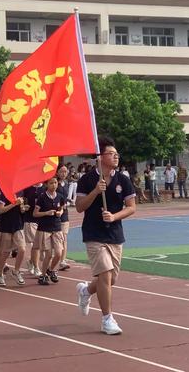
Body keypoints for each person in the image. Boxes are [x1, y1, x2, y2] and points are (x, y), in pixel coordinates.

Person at [75, 137, 136, 335]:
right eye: (111, 153)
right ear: (100, 157)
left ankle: (86, 291)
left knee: (110, 280)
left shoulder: (123, 180)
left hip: (115, 234)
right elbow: (79, 207)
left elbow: (131, 207)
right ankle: (107, 319)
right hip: (94, 233)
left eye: (117, 153)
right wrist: (95, 191)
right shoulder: (87, 179)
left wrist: (114, 216)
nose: (116, 156)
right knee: (105, 273)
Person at [34, 177, 64, 285]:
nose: (54, 185)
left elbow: (61, 208)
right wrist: (46, 213)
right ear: (46, 184)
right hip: (45, 228)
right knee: (48, 254)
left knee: (59, 253)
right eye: (51, 183)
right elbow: (35, 213)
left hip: (56, 227)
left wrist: (60, 212)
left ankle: (50, 270)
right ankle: (42, 276)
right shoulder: (42, 197)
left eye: (55, 183)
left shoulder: (60, 197)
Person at [0, 192, 27, 287]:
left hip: (18, 225)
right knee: (5, 253)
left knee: (22, 249)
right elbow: (0, 210)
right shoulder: (4, 193)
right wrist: (14, 204)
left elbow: (20, 208)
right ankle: (0, 274)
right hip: (6, 226)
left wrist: (23, 208)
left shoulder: (21, 192)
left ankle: (16, 271)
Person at [21, 182, 42, 278]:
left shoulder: (45, 188)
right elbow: (22, 200)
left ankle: (31, 262)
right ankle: (36, 267)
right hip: (30, 219)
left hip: (43, 220)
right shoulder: (27, 188)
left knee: (41, 246)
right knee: (36, 244)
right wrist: (23, 207)